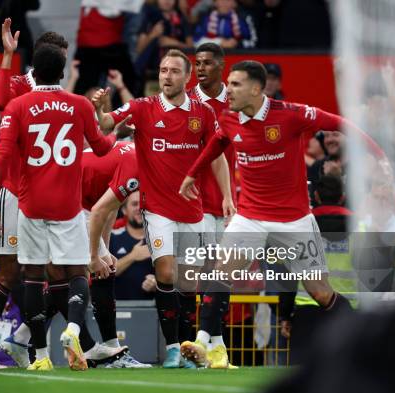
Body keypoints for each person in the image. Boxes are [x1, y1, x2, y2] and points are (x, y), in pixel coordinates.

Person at [178, 60, 388, 368]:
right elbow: (217, 143)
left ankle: (363, 343)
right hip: (250, 216)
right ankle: (204, 343)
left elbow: (340, 123)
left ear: (256, 88)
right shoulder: (229, 117)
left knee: (320, 293)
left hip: (295, 222)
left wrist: (380, 156)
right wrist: (191, 174)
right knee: (220, 273)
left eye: (235, 84)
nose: (228, 90)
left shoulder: (292, 114)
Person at [0, 44, 115, 371]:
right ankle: (73, 330)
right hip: (67, 205)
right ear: (62, 73)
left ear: (33, 70)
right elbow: (101, 149)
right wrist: (112, 133)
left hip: (30, 205)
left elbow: (2, 153)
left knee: (33, 276)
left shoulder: (18, 105)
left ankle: (41, 356)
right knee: (76, 272)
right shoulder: (79, 105)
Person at [93, 49, 220, 368]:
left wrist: (229, 196)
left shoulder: (203, 113)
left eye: (175, 71)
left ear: (188, 77)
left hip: (193, 210)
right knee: (165, 272)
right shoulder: (142, 107)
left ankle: (188, 349)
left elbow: (216, 155)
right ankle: (174, 347)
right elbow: (107, 125)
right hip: (158, 209)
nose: (167, 76)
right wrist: (100, 109)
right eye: (163, 70)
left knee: (189, 283)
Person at [186, 42, 236, 359]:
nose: (201, 68)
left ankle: (214, 348)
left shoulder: (237, 101)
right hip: (197, 202)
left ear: (221, 65)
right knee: (208, 273)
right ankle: (207, 343)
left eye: (206, 63)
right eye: (197, 63)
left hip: (232, 202)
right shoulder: (186, 103)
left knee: (222, 274)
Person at [82, 141, 151, 368]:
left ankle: (23, 337)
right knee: (87, 274)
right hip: (71, 201)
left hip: (78, 198)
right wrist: (94, 256)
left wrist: (105, 247)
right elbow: (99, 210)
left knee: (66, 278)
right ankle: (114, 355)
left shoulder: (136, 154)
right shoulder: (138, 169)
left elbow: (110, 204)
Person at [0, 18, 69, 112]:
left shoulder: (63, 95)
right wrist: (8, 54)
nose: (61, 64)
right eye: (58, 59)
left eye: (64, 60)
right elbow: (0, 103)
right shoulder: (18, 84)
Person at [108, 192, 156, 300]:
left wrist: (157, 284)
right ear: (124, 210)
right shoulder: (112, 237)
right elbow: (103, 275)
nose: (139, 208)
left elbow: (176, 277)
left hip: (152, 310)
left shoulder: (161, 239)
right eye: (134, 204)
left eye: (143, 204)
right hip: (118, 309)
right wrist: (133, 256)